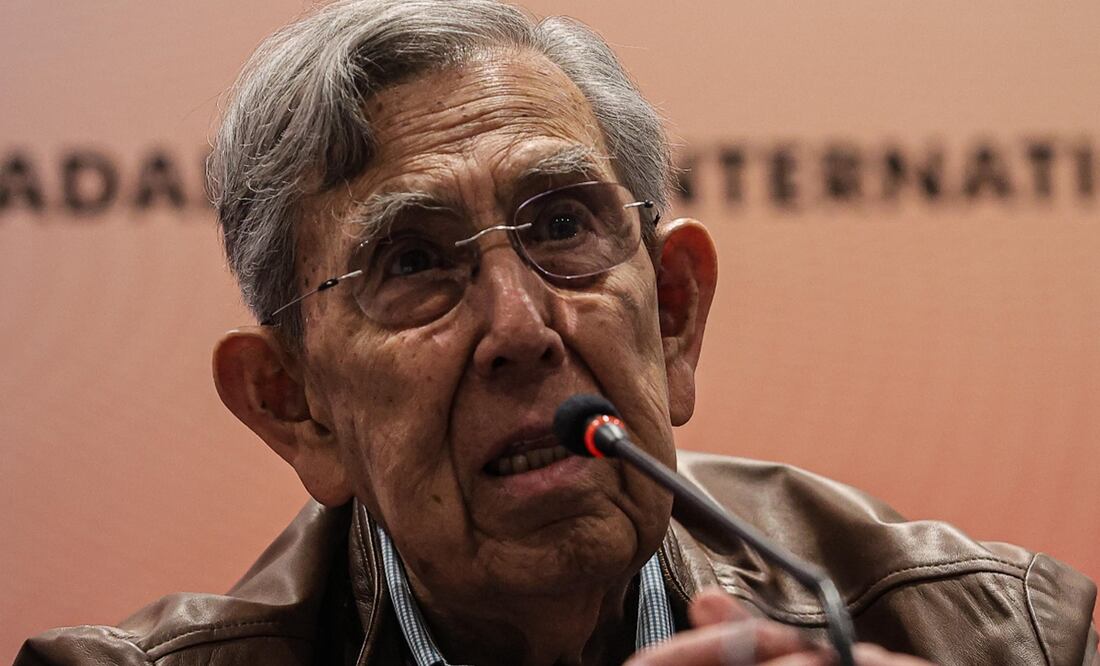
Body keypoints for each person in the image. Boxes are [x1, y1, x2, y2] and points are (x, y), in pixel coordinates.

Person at [17, 1, 1096, 664]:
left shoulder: (988, 635)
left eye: (564, 226)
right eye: (411, 264)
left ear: (671, 316)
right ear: (296, 407)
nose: (521, 330)